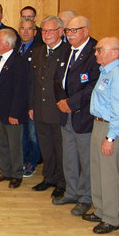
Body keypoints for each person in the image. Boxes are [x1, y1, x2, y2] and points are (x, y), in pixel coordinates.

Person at [82, 37, 119, 234]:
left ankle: (112, 217)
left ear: (114, 52)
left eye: (100, 50)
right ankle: (101, 209)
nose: (96, 53)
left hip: (111, 128)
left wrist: (111, 138)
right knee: (98, 170)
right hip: (99, 124)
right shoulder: (106, 72)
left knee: (109, 174)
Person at [52, 16, 100, 217]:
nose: (70, 35)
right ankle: (71, 192)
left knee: (86, 160)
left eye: (75, 30)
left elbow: (94, 86)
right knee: (69, 157)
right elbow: (58, 79)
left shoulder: (95, 52)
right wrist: (62, 102)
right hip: (66, 114)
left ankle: (86, 198)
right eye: (68, 31)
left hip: (84, 116)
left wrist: (71, 103)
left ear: (86, 31)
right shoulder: (65, 50)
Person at [29, 16, 68, 199]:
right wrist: (31, 106)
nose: (47, 34)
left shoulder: (68, 52)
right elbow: (33, 83)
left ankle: (62, 181)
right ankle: (49, 177)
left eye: (51, 30)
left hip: (58, 109)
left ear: (61, 31)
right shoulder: (37, 51)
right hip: (39, 108)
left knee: (60, 148)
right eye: (44, 31)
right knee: (45, 146)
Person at [0, 29, 29, 189]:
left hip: (12, 110)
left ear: (6, 43)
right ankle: (5, 171)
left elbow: (21, 90)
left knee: (14, 143)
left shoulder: (18, 62)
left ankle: (17, 174)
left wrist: (15, 113)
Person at [16, 19, 42, 177]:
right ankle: (23, 159)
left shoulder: (39, 50)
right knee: (22, 133)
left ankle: (32, 161)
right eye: (23, 28)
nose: (25, 31)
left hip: (32, 99)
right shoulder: (15, 47)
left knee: (33, 134)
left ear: (35, 32)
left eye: (29, 29)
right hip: (18, 99)